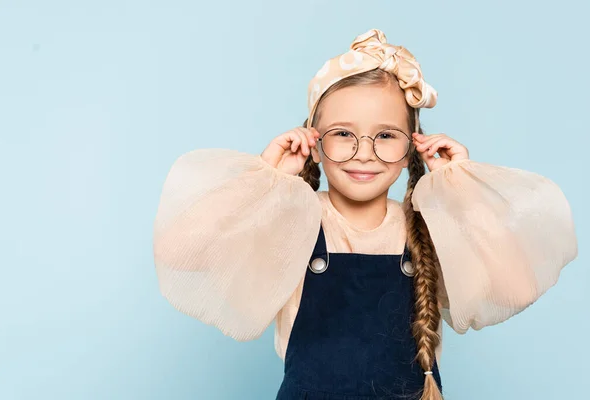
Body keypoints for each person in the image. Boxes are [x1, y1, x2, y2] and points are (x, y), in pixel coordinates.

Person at [152, 28, 578, 400]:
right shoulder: (292, 221)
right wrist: (266, 184)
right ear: (314, 142)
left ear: (413, 144)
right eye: (343, 134)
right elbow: (182, 254)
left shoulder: (426, 228)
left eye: (385, 136)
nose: (364, 154)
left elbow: (513, 286)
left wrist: (459, 192)